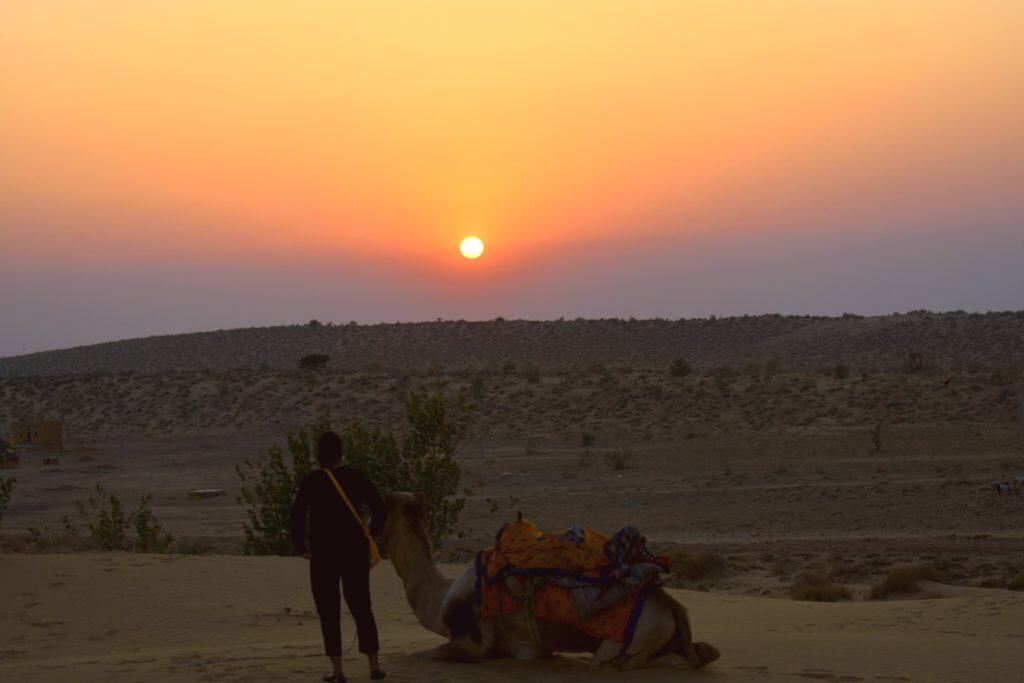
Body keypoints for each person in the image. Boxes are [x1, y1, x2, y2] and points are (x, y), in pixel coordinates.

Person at [291, 431, 387, 682]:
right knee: (362, 608)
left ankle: (338, 671)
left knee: (329, 611)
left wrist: (301, 546)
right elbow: (379, 506)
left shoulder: (312, 480)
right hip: (354, 551)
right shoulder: (356, 476)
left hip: (323, 554)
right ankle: (374, 667)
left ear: (319, 452)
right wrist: (373, 534)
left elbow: (298, 514)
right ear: (341, 451)